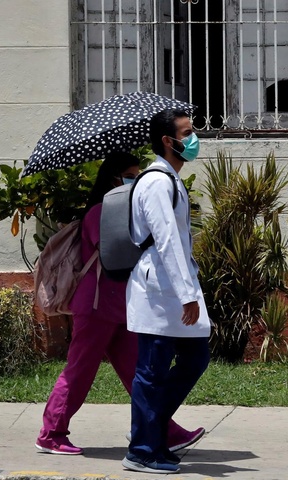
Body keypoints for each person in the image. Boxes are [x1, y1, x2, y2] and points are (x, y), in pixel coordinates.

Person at [36, 152, 204, 456]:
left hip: (122, 308)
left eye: (138, 175)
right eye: (130, 175)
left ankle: (164, 429)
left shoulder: (125, 211)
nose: (135, 181)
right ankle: (51, 433)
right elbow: (116, 254)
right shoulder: (100, 212)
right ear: (113, 179)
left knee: (138, 372)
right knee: (80, 371)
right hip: (97, 307)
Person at [122, 110, 211, 474]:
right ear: (167, 141)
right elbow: (167, 242)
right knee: (152, 371)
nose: (193, 139)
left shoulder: (170, 180)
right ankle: (142, 449)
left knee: (195, 358)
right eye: (187, 133)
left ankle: (155, 432)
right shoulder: (158, 182)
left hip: (171, 288)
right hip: (160, 290)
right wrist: (188, 293)